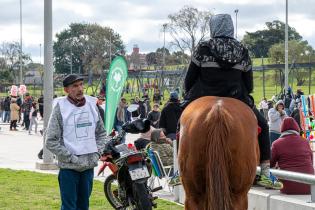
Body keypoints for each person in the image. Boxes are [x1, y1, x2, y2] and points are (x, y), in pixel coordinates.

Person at [176, 14, 282, 189]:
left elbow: (189, 79)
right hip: (236, 96)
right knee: (263, 126)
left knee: (180, 123)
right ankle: (264, 172)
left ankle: (178, 169)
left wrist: (190, 97)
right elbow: (248, 85)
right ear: (231, 28)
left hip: (202, 95)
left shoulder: (202, 48)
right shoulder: (243, 50)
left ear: (213, 28)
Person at [46, 74, 107, 210]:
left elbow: (102, 133)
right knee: (69, 207)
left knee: (84, 206)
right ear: (66, 90)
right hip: (69, 169)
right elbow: (50, 141)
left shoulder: (92, 105)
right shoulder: (60, 108)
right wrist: (71, 158)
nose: (80, 89)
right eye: (75, 86)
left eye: (81, 85)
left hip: (88, 167)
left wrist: (97, 153)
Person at [271, 117, 314, 194]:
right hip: (309, 186)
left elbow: (270, 164)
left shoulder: (276, 143)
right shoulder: (305, 142)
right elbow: (311, 161)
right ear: (296, 128)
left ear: (282, 129)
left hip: (288, 187)